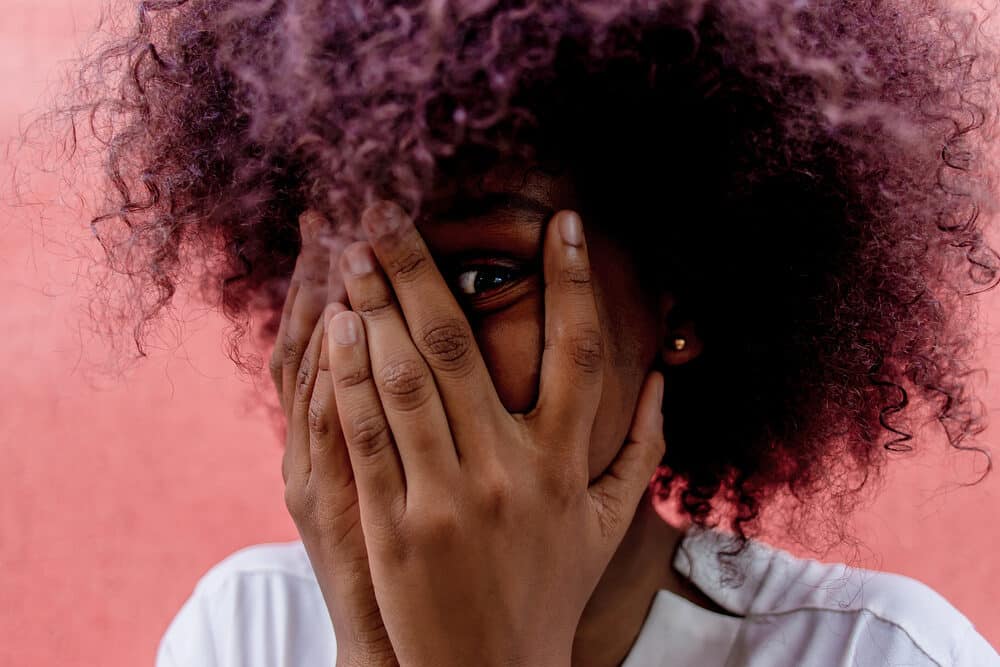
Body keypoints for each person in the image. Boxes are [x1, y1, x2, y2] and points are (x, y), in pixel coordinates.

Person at [65, 0, 1000, 664]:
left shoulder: (877, 652)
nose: (398, 356)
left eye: (484, 276)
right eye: (351, 282)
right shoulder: (248, 631)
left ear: (681, 303)